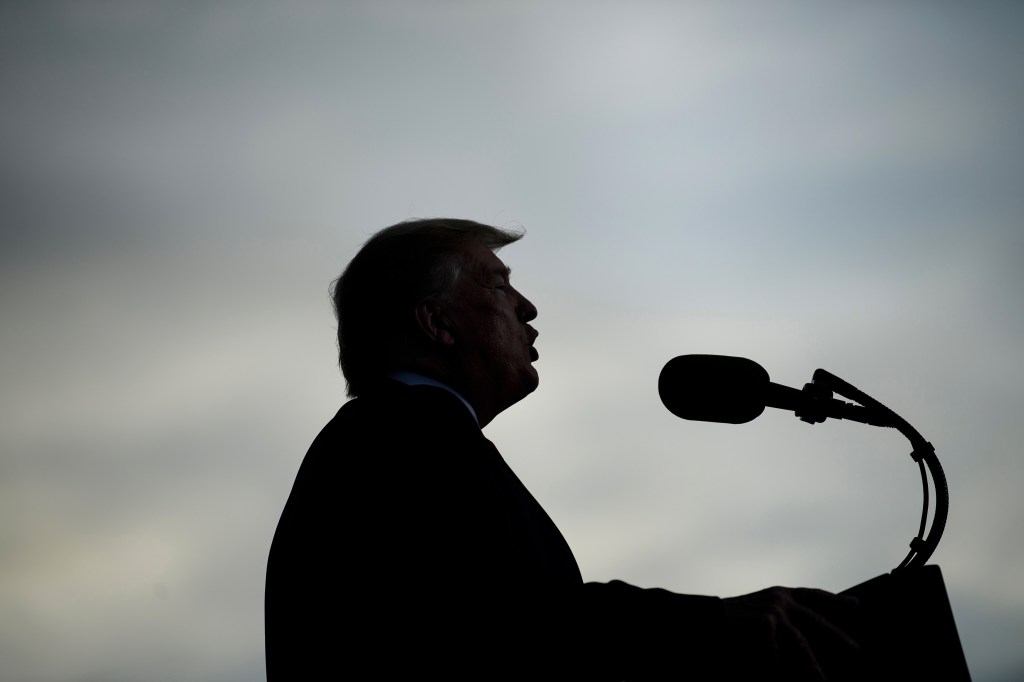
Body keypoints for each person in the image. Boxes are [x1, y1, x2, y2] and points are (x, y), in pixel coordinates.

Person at [265, 218, 862, 680]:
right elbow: (517, 623)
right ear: (437, 324)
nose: (526, 308)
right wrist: (719, 623)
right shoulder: (400, 439)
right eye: (499, 286)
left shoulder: (398, 437)